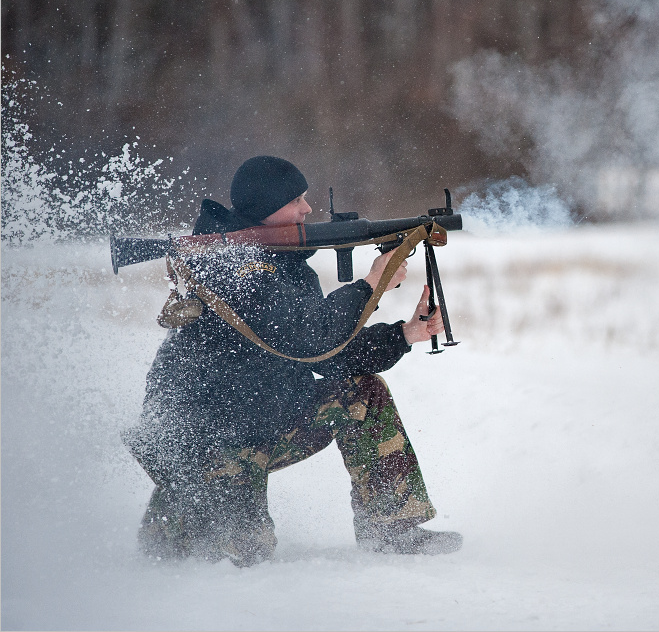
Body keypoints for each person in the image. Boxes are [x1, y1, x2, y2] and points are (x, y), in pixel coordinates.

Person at [123, 155, 462, 566]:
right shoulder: (233, 269)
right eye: (296, 199)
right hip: (204, 446)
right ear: (265, 210)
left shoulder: (281, 267)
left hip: (256, 424)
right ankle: (174, 525)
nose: (308, 210)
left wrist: (408, 333)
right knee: (235, 561)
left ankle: (393, 529)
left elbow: (328, 352)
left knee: (363, 394)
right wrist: (372, 284)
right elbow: (310, 335)